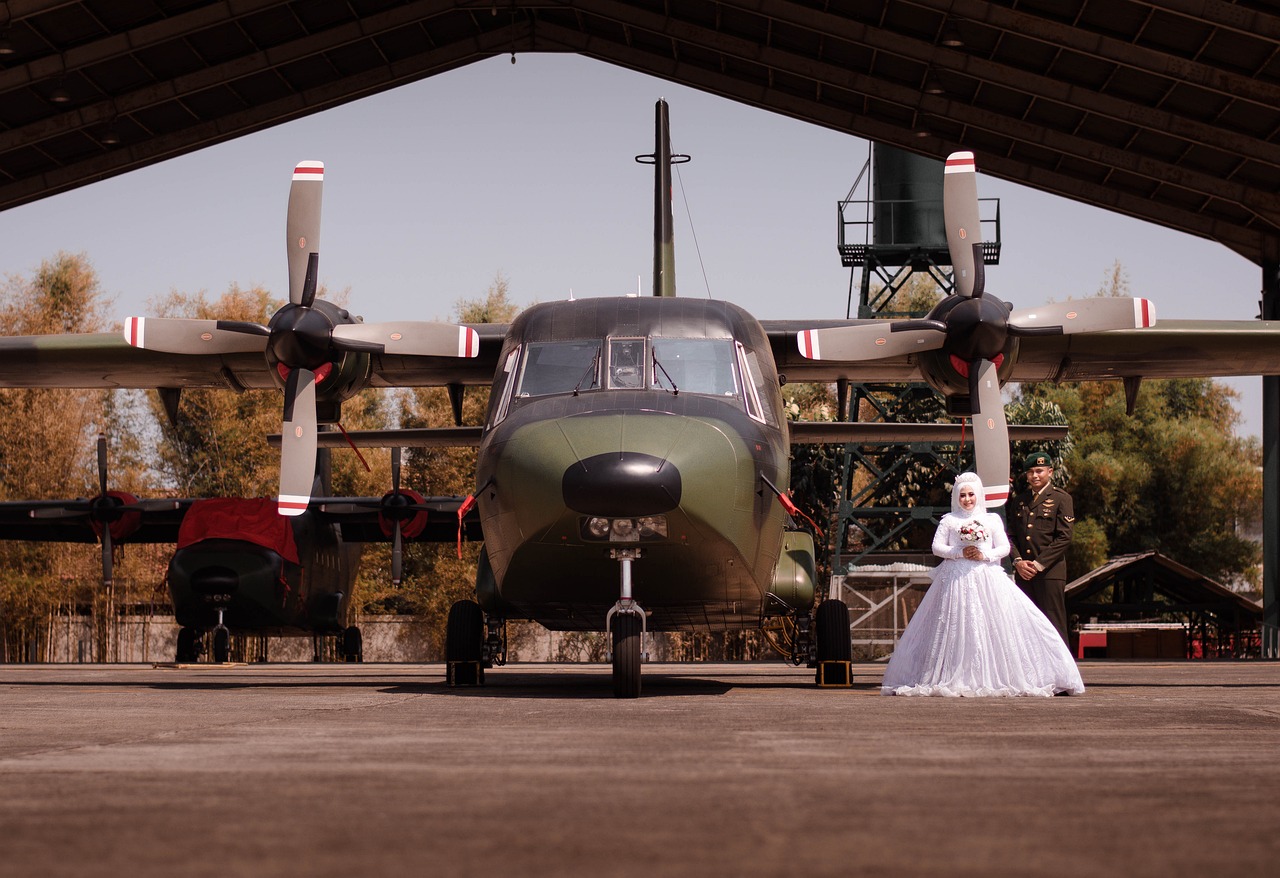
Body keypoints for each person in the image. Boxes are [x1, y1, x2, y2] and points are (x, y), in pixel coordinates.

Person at [881, 472, 1084, 697]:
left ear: (978, 495)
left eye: (971, 495)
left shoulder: (991, 520)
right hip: (955, 580)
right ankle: (950, 672)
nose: (967, 499)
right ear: (956, 497)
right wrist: (959, 552)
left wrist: (984, 555)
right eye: (962, 495)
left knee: (994, 623)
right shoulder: (949, 520)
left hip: (986, 577)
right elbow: (937, 547)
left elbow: (1004, 548)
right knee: (955, 623)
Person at [1008, 450, 1075, 646]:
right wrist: (1018, 561)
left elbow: (1064, 537)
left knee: (1053, 623)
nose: (1035, 476)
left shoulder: (1062, 499)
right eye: (1030, 472)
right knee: (1026, 623)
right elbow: (1010, 536)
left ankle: (1062, 672)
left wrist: (1038, 564)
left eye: (1039, 471)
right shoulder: (1019, 501)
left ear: (1050, 472)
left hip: (1049, 572)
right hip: (1024, 573)